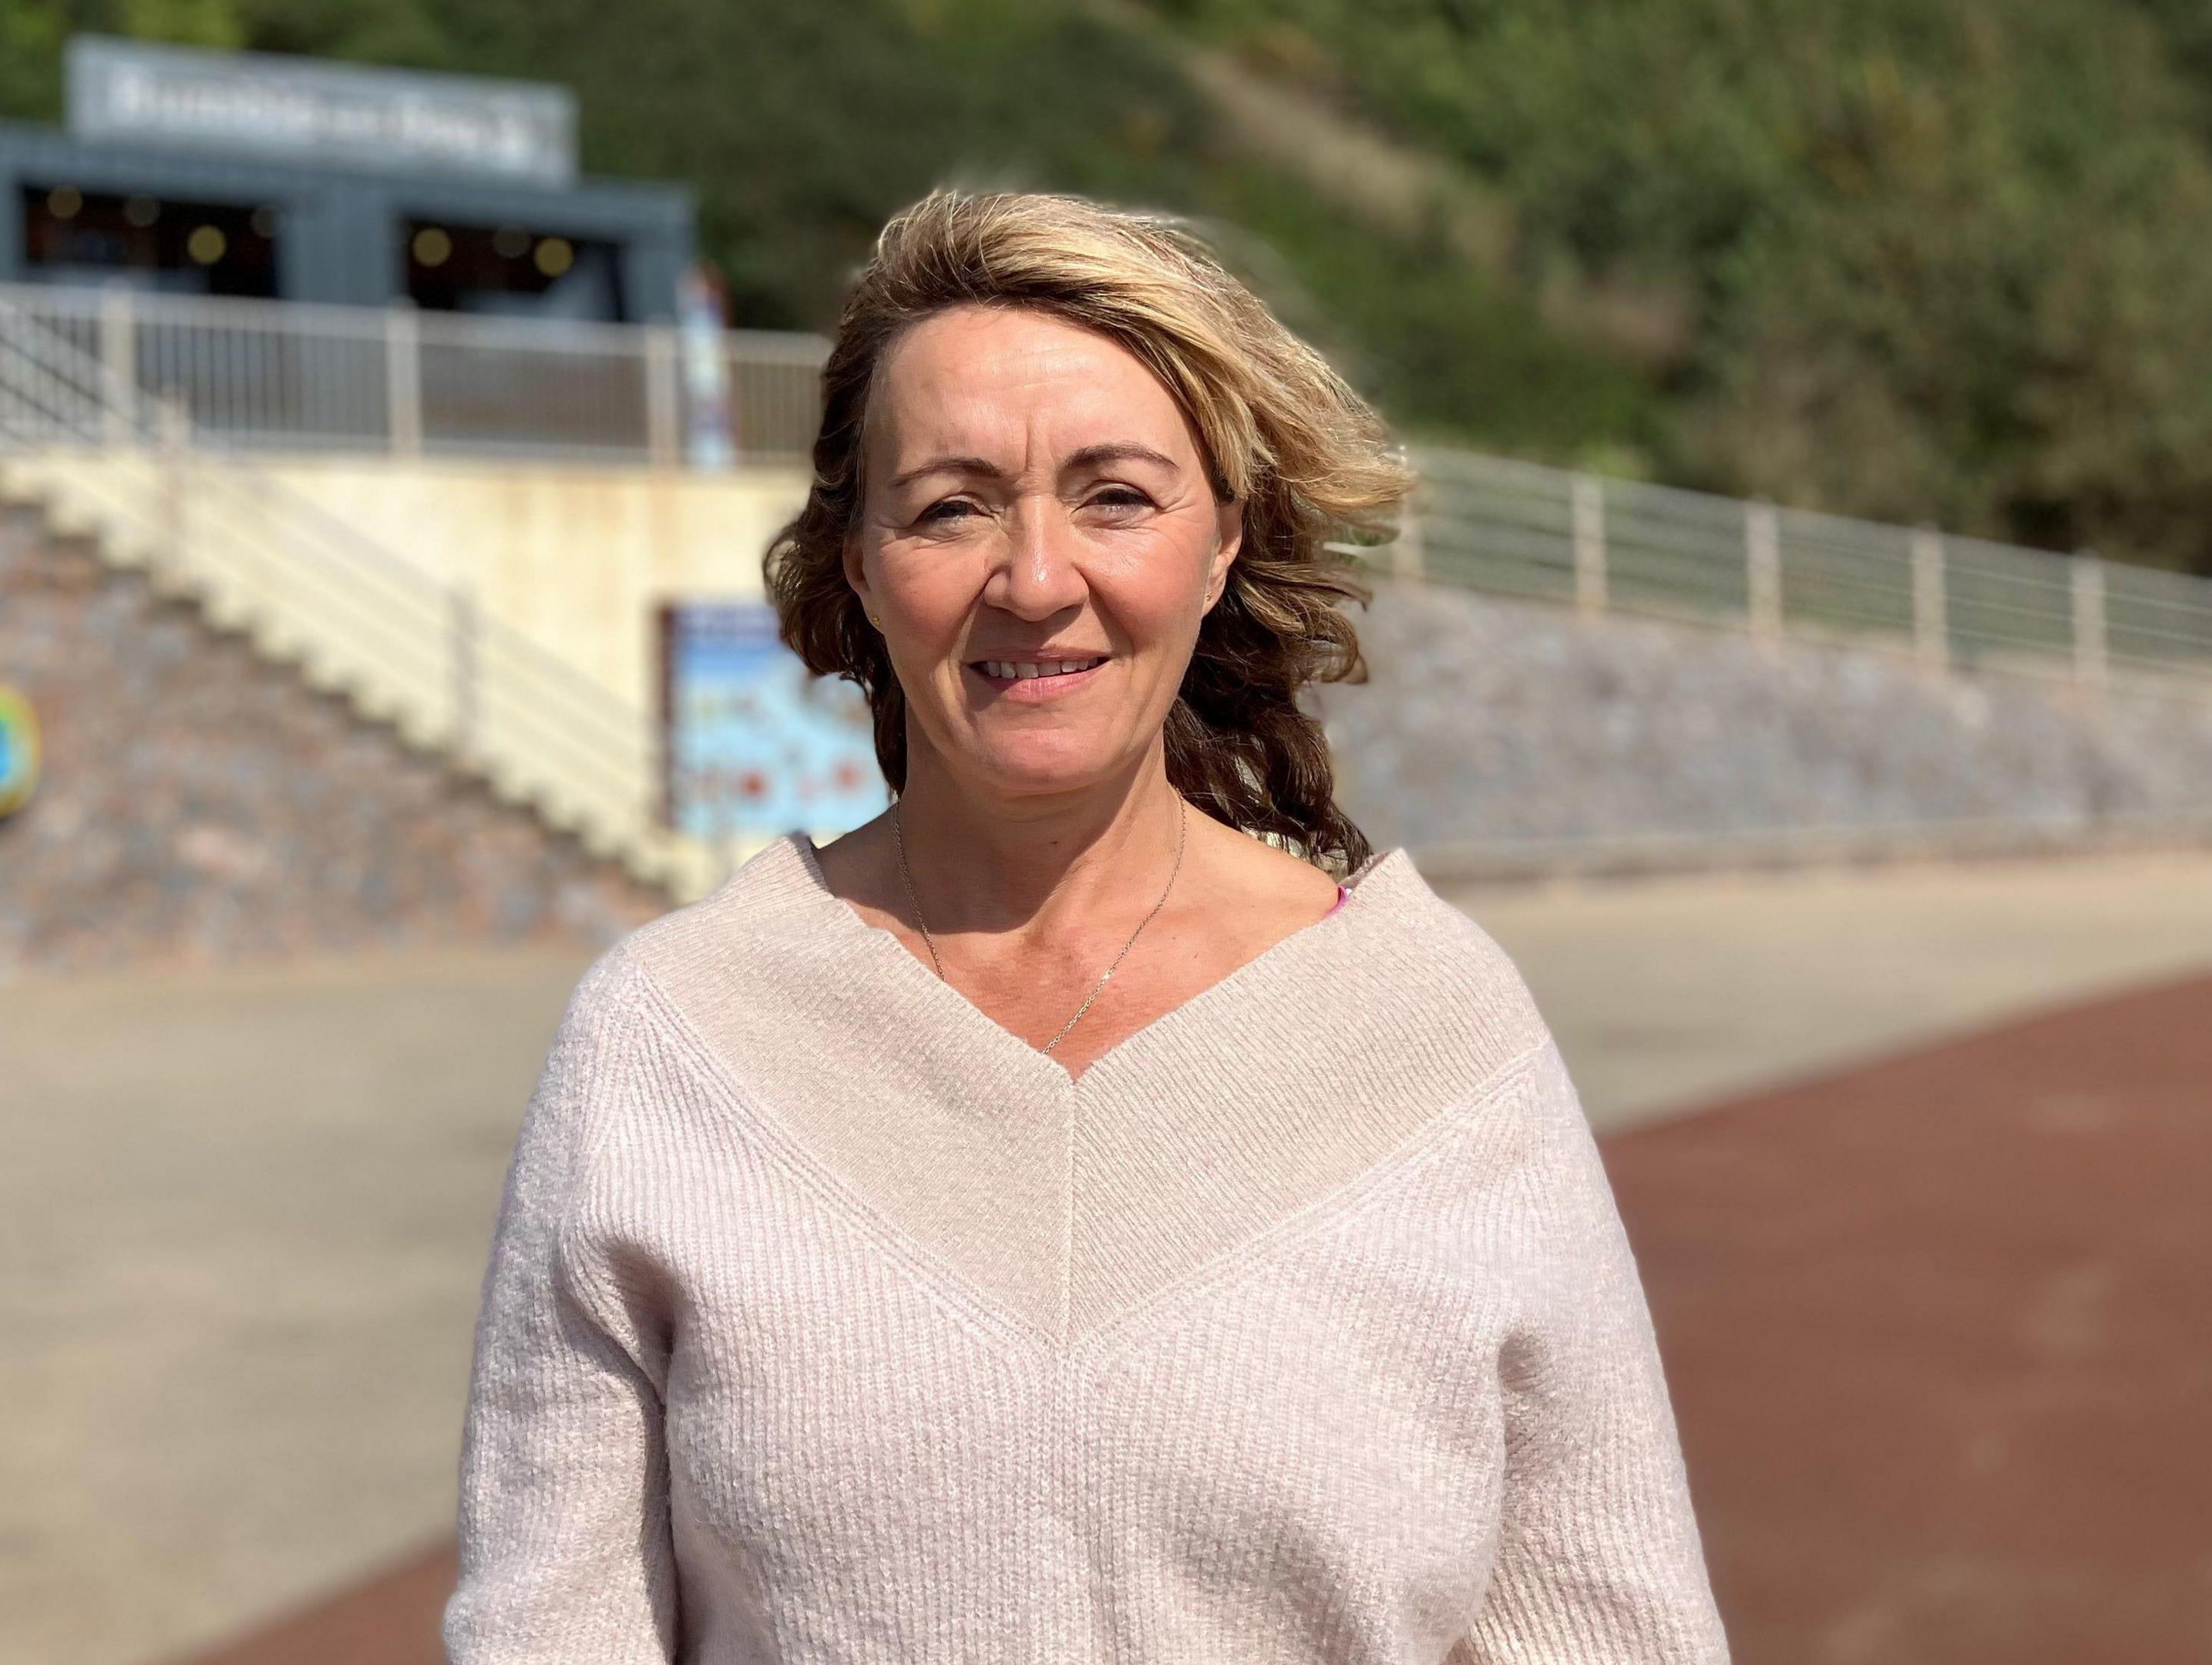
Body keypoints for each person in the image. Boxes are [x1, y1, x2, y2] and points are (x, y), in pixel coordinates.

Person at [443, 187, 1728, 1662]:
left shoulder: (1436, 1031)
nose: (1038, 580)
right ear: (858, 561)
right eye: (950, 505)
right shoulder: (672, 1040)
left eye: (1117, 496)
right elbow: (547, 1629)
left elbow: (1615, 1631)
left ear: (1223, 544)